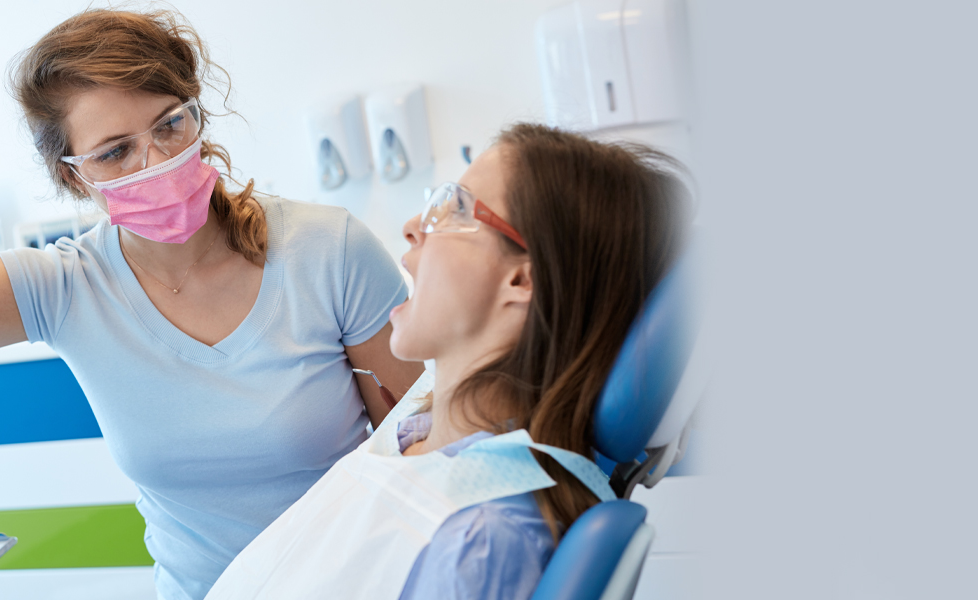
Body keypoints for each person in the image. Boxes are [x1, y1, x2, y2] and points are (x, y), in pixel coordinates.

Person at [0, 8, 424, 600]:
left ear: (197, 118)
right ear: (74, 175)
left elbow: (421, 447)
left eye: (170, 124)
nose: (155, 160)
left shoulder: (327, 251)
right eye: (114, 151)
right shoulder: (64, 288)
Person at [203, 123, 689, 600]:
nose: (413, 227)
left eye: (454, 208)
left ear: (522, 281)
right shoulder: (417, 434)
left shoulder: (480, 544)